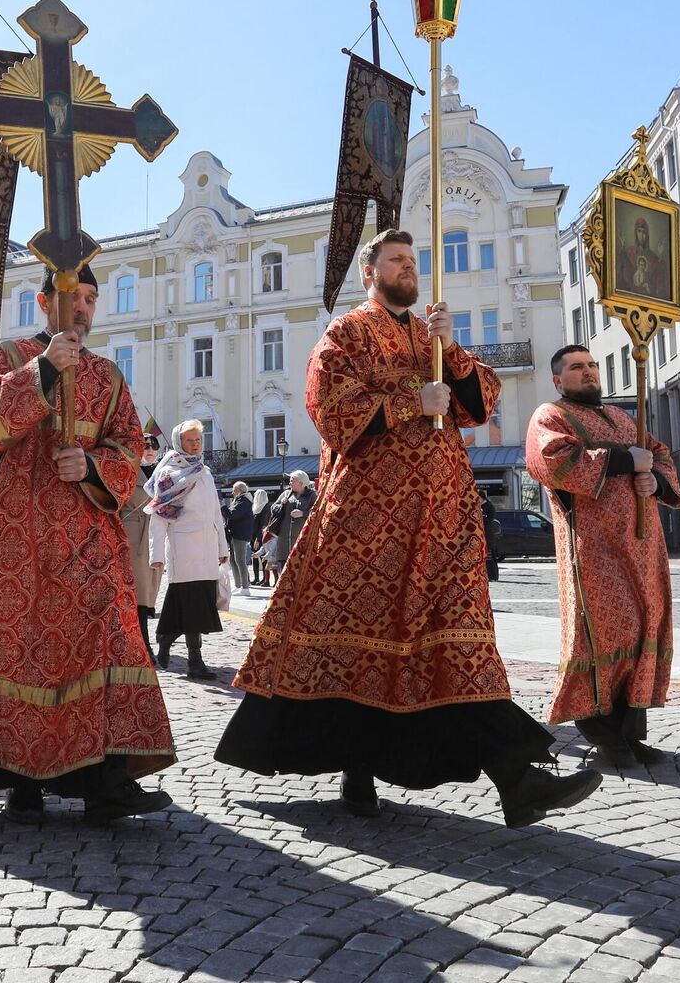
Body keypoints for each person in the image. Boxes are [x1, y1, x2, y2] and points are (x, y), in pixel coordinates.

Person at [217, 228, 601, 828]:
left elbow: (481, 402)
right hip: (370, 525)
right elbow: (328, 406)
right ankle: (372, 772)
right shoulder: (346, 331)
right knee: (366, 644)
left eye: (413, 261)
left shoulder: (432, 336)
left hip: (444, 523)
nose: (409, 269)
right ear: (370, 272)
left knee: (457, 644)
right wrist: (408, 404)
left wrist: (456, 351)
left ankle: (519, 778)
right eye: (396, 260)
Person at [0, 263, 175, 826]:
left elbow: (130, 443)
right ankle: (16, 780)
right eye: (71, 296)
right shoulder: (7, 358)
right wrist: (43, 370)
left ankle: (107, 786)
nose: (81, 307)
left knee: (110, 640)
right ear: (42, 300)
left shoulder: (108, 374)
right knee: (15, 649)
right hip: (13, 540)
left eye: (90, 299)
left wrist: (95, 465)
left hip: (86, 538)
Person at [527, 345, 680, 767]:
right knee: (605, 635)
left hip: (644, 548)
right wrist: (622, 459)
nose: (589, 372)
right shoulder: (551, 414)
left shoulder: (622, 417)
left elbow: (660, 454)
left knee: (641, 633)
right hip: (595, 552)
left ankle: (631, 735)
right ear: (559, 380)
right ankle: (603, 735)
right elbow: (552, 461)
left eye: (592, 365)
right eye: (577, 368)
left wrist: (655, 480)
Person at [147, 419, 229, 680]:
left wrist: (221, 546)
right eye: (189, 441)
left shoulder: (204, 472)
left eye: (198, 440)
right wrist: (156, 554)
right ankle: (195, 661)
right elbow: (158, 518)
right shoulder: (168, 474)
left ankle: (165, 637)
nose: (195, 446)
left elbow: (216, 513)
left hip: (206, 549)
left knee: (195, 606)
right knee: (191, 606)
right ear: (179, 442)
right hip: (183, 548)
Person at [118, 435, 162, 648]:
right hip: (134, 535)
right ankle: (143, 643)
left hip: (156, 534)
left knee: (152, 589)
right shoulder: (128, 471)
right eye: (145, 446)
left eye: (154, 446)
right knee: (139, 592)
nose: (150, 450)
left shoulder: (162, 473)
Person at [268, 471, 315, 580]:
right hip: (284, 541)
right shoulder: (286, 494)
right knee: (284, 574)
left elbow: (318, 512)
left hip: (301, 542)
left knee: (300, 574)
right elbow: (272, 509)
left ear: (301, 482)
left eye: (292, 480)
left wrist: (303, 514)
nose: (290, 483)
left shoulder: (311, 496)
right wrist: (281, 504)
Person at [224, 480, 255, 591]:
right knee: (233, 560)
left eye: (234, 490)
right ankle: (238, 585)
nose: (232, 492)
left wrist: (223, 506)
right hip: (235, 533)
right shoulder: (238, 500)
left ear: (239, 491)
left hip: (240, 534)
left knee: (240, 560)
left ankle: (245, 587)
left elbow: (233, 515)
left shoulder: (244, 501)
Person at [249, 488, 272, 586]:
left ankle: (265, 579)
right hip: (254, 536)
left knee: (262, 557)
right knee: (254, 557)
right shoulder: (255, 507)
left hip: (261, 537)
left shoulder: (266, 508)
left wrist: (258, 539)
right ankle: (257, 578)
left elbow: (263, 525)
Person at [480, 490, 501, 583]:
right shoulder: (478, 506)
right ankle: (487, 575)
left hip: (488, 534)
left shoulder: (489, 506)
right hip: (481, 534)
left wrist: (482, 516)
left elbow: (489, 519)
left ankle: (493, 575)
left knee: (490, 556)